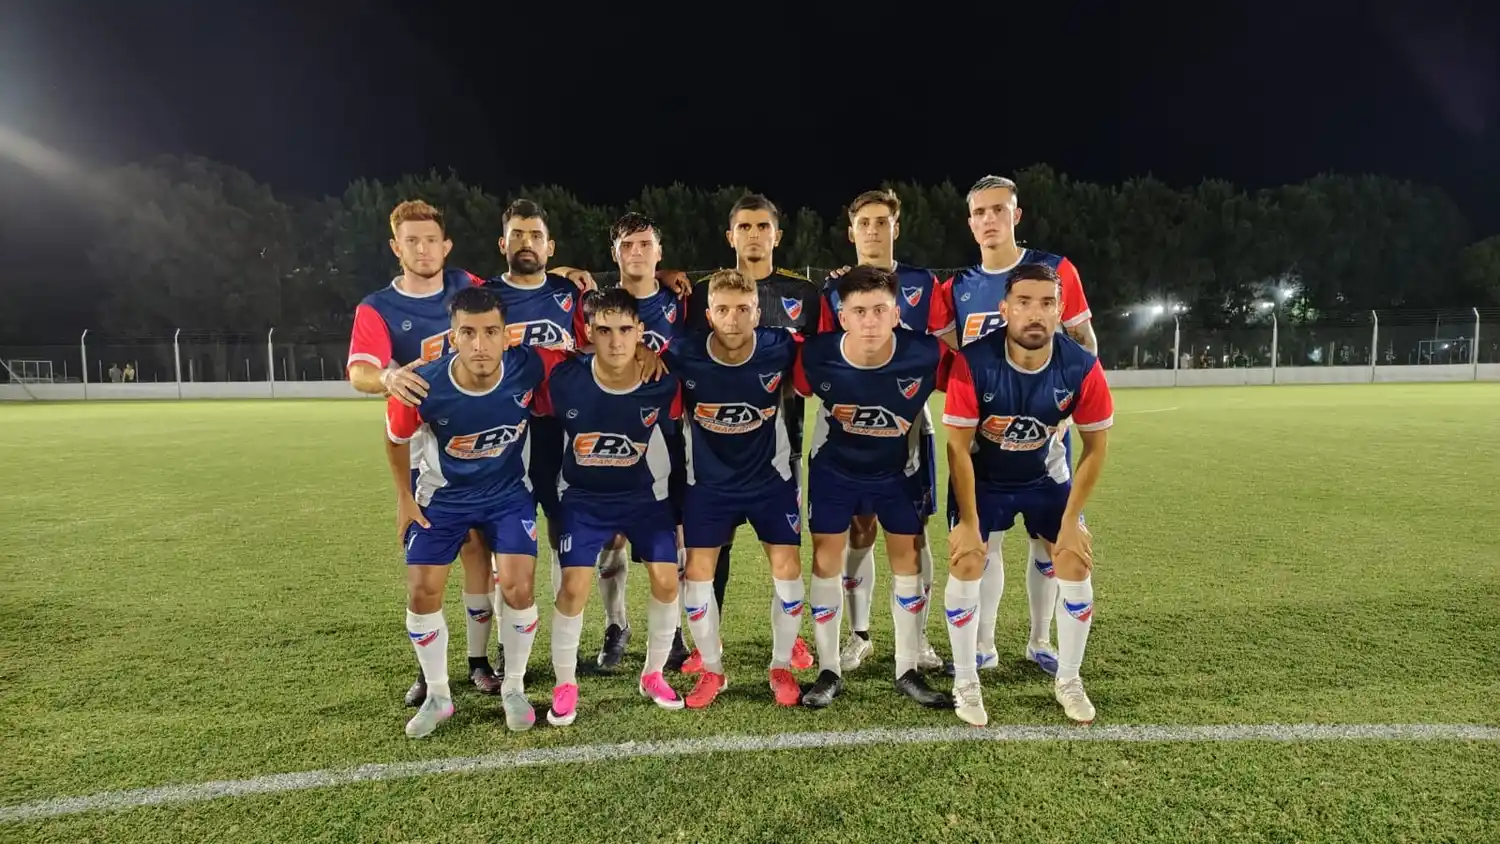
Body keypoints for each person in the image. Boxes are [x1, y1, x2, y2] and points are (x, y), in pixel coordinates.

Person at [929, 174, 1097, 677]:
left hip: (1043, 438)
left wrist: (1065, 407)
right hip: (983, 445)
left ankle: (1041, 640)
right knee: (986, 541)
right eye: (979, 212)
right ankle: (983, 645)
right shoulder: (954, 288)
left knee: (1050, 543)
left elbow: (1085, 342)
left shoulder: (1055, 270)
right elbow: (948, 362)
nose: (989, 220)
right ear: (969, 221)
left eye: (998, 210)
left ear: (1016, 215)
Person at [382, 286, 566, 738]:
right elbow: (395, 438)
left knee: (520, 587)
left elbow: (585, 359)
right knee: (423, 592)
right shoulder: (424, 384)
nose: (480, 345)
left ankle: (515, 689)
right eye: (468, 333)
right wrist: (404, 498)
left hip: (507, 495)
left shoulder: (529, 366)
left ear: (507, 336)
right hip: (443, 499)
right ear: (453, 337)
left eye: (490, 332)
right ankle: (440, 695)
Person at [941, 262, 1114, 726]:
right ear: (1004, 310)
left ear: (1061, 311)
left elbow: (1096, 448)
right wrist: (970, 524)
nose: (1034, 313)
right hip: (985, 479)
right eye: (1023, 302)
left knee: (1073, 560)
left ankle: (1069, 679)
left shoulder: (1082, 367)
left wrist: (1073, 522)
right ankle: (965, 680)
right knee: (969, 559)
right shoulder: (972, 362)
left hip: (1044, 479)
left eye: (1046, 303)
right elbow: (957, 447)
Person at [346, 199, 502, 706]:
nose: (422, 248)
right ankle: (428, 672)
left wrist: (564, 270)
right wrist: (388, 376)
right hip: (419, 447)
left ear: (446, 244)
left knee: (478, 548)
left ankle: (479, 662)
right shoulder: (378, 307)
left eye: (430, 239)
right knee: (426, 558)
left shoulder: (468, 285)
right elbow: (360, 372)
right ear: (396, 247)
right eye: (411, 240)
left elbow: (520, 289)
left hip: (475, 438)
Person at [674, 193, 821, 674]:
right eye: (745, 227)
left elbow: (819, 353)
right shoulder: (699, 294)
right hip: (713, 446)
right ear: (731, 235)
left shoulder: (805, 293)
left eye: (763, 226)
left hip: (778, 437)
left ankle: (790, 643)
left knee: (782, 548)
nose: (754, 235)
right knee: (714, 551)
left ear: (776, 236)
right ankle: (706, 647)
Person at [791, 265, 949, 710]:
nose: (869, 320)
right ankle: (828, 670)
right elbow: (790, 384)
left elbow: (977, 376)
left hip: (896, 473)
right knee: (826, 559)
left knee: (907, 558)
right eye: (858, 310)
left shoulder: (927, 354)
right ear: (841, 316)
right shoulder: (816, 354)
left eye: (880, 309)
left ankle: (906, 669)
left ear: (896, 313)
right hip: (834, 471)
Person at [530, 288, 687, 725]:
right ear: (588, 334)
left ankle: (652, 674)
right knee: (573, 587)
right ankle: (565, 683)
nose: (616, 341)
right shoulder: (563, 378)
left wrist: (678, 512)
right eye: (604, 330)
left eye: (624, 330)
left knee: (666, 580)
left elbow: (676, 444)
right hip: (583, 499)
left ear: (640, 332)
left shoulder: (663, 383)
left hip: (643, 499)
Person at [818, 189, 956, 675]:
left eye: (882, 221)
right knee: (858, 531)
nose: (873, 230)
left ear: (896, 227)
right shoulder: (834, 289)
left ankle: (915, 641)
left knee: (912, 533)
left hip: (910, 427)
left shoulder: (923, 284)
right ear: (851, 232)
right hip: (851, 426)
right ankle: (858, 637)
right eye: (864, 223)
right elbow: (821, 355)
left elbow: (946, 352)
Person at [664, 269, 805, 708]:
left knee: (788, 571)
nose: (732, 319)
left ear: (757, 313)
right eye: (722, 309)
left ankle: (780, 665)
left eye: (742, 309)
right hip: (708, 484)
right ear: (708, 314)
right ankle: (713, 671)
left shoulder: (780, 346)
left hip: (770, 480)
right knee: (697, 579)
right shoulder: (682, 354)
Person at [589, 212, 691, 673]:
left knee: (670, 535)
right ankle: (617, 624)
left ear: (660, 251)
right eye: (627, 245)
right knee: (611, 536)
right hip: (609, 431)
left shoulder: (680, 300)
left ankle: (672, 633)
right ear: (615, 253)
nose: (637, 252)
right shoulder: (591, 303)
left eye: (645, 244)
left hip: (666, 432)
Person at [482, 199, 593, 610]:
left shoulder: (569, 293)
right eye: (517, 235)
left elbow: (589, 347)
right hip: (505, 430)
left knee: (565, 530)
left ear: (551, 247)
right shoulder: (484, 295)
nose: (526, 243)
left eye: (535, 236)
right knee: (506, 537)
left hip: (561, 429)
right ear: (502, 243)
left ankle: (567, 631)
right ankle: (505, 643)